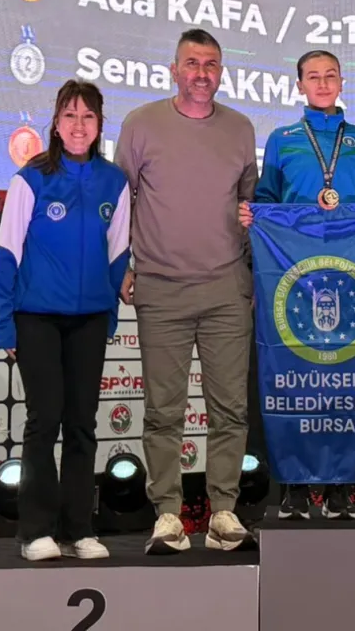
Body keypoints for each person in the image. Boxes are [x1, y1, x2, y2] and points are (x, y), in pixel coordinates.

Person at [239, 49, 355, 521]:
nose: (321, 82)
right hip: (293, 272)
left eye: (330, 75)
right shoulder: (283, 140)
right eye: (312, 76)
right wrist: (254, 218)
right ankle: (294, 489)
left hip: (350, 270)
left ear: (341, 82)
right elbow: (268, 200)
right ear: (299, 85)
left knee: (343, 375)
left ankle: (339, 488)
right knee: (296, 375)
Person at [115, 28, 259, 555]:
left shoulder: (241, 129)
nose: (202, 73)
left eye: (211, 64)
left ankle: (223, 513)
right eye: (192, 63)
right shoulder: (140, 124)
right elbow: (119, 200)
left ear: (222, 73)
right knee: (163, 412)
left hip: (226, 288)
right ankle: (168, 516)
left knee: (230, 410)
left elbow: (250, 208)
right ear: (174, 70)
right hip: (160, 288)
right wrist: (120, 266)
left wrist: (252, 275)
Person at [0, 80, 131, 562]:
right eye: (70, 115)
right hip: (36, 318)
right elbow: (7, 252)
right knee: (44, 419)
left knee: (82, 425)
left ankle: (77, 530)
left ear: (99, 124)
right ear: (55, 123)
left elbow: (118, 256)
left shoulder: (114, 182)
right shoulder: (31, 178)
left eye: (88, 116)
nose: (78, 125)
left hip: (89, 319)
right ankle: (35, 532)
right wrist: (4, 322)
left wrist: (109, 314)